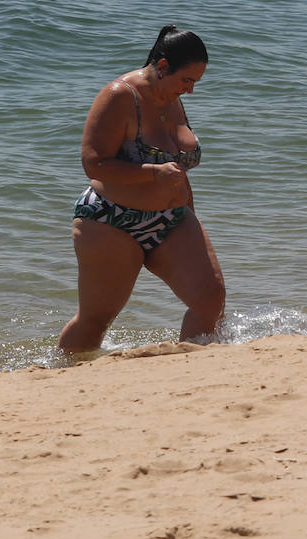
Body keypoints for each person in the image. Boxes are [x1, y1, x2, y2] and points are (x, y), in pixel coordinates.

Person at [58, 25, 225, 352]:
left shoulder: (172, 96)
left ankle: (195, 369)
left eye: (195, 83)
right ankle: (62, 374)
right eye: (187, 80)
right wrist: (151, 173)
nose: (190, 90)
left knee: (210, 299)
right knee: (96, 320)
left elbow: (177, 168)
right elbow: (94, 163)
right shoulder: (120, 96)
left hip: (172, 218)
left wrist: (189, 213)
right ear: (162, 67)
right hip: (111, 221)